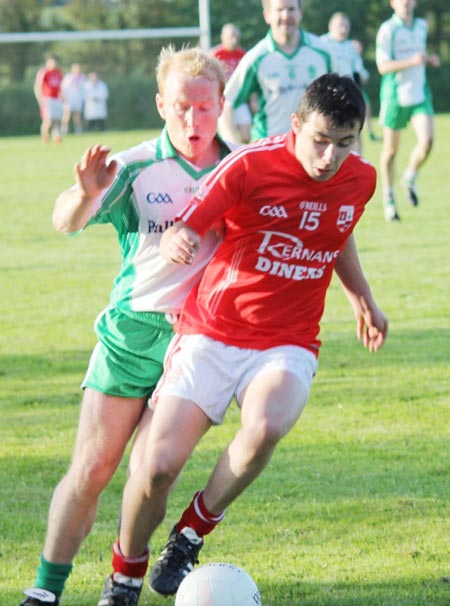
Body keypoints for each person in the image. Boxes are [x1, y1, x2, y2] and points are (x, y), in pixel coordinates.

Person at [114, 73, 388, 599]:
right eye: (321, 141)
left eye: (345, 144)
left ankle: (191, 532)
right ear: (296, 125)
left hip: (288, 339)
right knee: (156, 467)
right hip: (212, 332)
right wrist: (181, 238)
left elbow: (337, 231)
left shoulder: (361, 179)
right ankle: (123, 575)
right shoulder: (250, 165)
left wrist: (363, 300)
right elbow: (190, 223)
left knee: (264, 426)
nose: (331, 157)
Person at [20, 46, 232, 606]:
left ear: (221, 105)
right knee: (91, 470)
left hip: (196, 344)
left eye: (205, 107)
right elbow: (65, 221)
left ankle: (124, 579)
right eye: (182, 106)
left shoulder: (240, 169)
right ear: (162, 104)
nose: (194, 120)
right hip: (131, 335)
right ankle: (44, 591)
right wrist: (86, 194)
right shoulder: (136, 167)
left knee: (154, 473)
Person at [219, 0, 337, 142]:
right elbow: (227, 102)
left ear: (300, 13)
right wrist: (232, 145)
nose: (286, 15)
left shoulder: (323, 52)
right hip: (269, 149)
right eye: (279, 10)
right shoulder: (256, 57)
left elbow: (346, 95)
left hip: (313, 148)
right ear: (267, 15)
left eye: (291, 9)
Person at [376, 0, 440, 222]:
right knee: (391, 151)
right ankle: (389, 198)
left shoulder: (421, 26)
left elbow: (419, 56)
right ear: (392, 3)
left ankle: (409, 177)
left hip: (419, 94)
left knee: (428, 140)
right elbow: (382, 66)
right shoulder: (388, 29)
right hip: (395, 96)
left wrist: (429, 59)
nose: (405, 2)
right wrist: (411, 61)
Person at [321, 12, 372, 153]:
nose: (343, 29)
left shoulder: (351, 48)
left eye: (346, 26)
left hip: (350, 95)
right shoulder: (322, 44)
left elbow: (361, 74)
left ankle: (356, 161)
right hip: (328, 97)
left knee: (354, 131)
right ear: (331, 26)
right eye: (340, 25)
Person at [210, 22, 253, 144]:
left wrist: (252, 97)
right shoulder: (215, 54)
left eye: (236, 36)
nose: (234, 39)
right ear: (223, 37)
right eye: (231, 36)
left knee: (246, 135)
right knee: (228, 137)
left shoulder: (243, 55)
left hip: (239, 100)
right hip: (223, 100)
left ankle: (243, 154)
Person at [352, 39, 382, 143]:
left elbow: (363, 75)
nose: (358, 49)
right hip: (353, 90)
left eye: (359, 47)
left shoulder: (358, 59)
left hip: (359, 89)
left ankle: (370, 133)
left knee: (367, 111)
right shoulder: (350, 58)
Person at [33, 55, 64, 143]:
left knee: (57, 119)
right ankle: (45, 135)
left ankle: (56, 136)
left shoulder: (58, 72)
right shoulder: (44, 72)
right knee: (48, 119)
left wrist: (62, 96)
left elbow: (60, 86)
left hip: (57, 99)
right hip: (48, 98)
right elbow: (38, 86)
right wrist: (40, 98)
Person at [61, 63, 86, 134]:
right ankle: (64, 130)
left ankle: (78, 130)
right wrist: (64, 97)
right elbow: (63, 88)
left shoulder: (83, 77)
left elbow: (84, 89)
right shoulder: (68, 77)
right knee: (67, 115)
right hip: (69, 99)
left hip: (78, 99)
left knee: (77, 116)